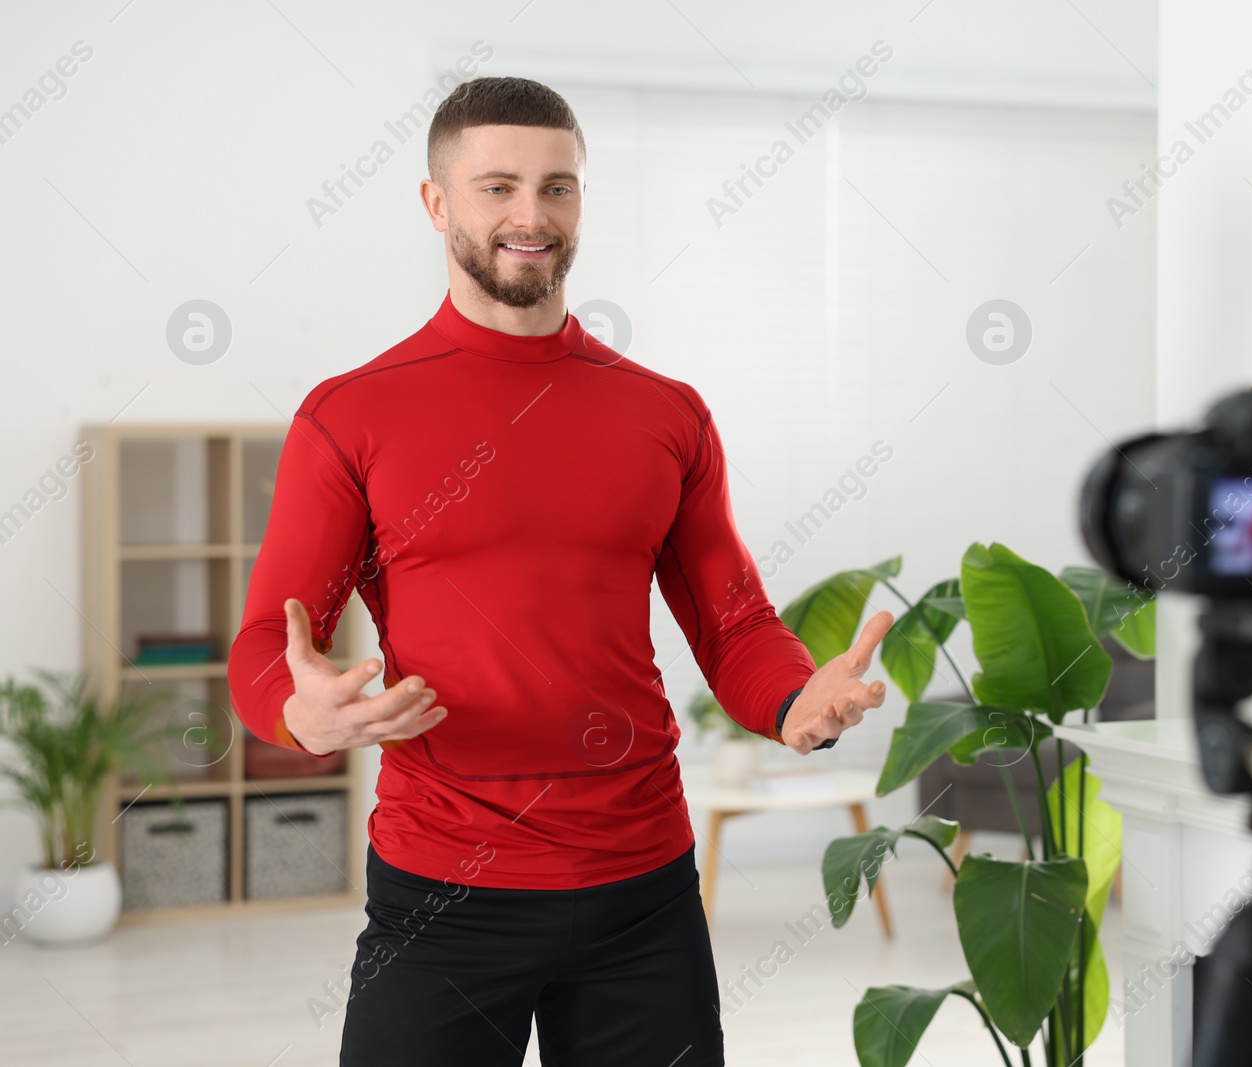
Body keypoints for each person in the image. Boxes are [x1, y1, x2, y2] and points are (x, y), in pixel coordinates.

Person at [226, 75, 891, 1067]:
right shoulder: (351, 414)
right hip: (441, 894)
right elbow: (261, 649)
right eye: (496, 187)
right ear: (435, 202)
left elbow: (732, 621)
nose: (531, 216)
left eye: (558, 187)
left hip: (641, 890)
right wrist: (300, 710)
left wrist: (794, 694)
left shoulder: (665, 414)